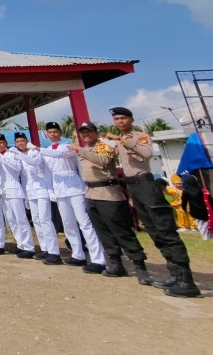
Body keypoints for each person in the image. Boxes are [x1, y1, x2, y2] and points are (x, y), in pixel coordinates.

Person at [109, 107, 200, 297]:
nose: (120, 122)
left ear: (131, 119)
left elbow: (147, 153)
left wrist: (124, 142)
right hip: (133, 186)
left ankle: (187, 280)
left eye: (123, 118)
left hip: (146, 183)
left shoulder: (139, 136)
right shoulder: (118, 140)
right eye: (116, 119)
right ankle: (174, 273)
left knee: (165, 229)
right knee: (153, 230)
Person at [70, 122, 151, 285]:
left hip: (108, 193)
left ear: (95, 131)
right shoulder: (86, 147)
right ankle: (115, 263)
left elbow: (103, 161)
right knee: (103, 231)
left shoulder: (103, 145)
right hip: (92, 193)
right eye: (83, 132)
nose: (86, 135)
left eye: (89, 131)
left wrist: (81, 150)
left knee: (121, 231)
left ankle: (140, 265)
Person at [39, 122, 107, 273]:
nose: (53, 135)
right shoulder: (48, 150)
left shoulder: (69, 146)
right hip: (59, 189)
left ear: (60, 133)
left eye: (55, 132)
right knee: (68, 223)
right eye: (50, 132)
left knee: (85, 223)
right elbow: (48, 173)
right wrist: (51, 190)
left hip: (75, 188)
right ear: (46, 134)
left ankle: (98, 258)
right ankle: (78, 254)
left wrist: (38, 149)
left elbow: (60, 155)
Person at [10, 133, 62, 265]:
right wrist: (26, 195)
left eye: (22, 141)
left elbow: (34, 163)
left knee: (45, 220)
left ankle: (54, 252)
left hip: (42, 188)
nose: (20, 143)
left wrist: (18, 153)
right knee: (37, 220)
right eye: (17, 142)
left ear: (27, 141)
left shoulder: (34, 152)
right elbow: (24, 177)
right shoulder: (20, 156)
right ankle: (45, 248)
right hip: (30, 190)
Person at [0, 133, 36, 258]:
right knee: (11, 220)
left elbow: (17, 168)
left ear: (6, 143)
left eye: (1, 143)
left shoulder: (12, 154)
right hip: (3, 190)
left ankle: (29, 247)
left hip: (14, 189)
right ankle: (20, 244)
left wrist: (3, 159)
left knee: (21, 219)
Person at [181, 175, 212, 240]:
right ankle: (209, 237)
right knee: (208, 225)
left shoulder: (186, 191)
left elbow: (184, 202)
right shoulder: (202, 190)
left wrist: (184, 209)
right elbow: (210, 200)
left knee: (202, 226)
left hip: (196, 213)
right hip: (206, 211)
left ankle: (206, 239)